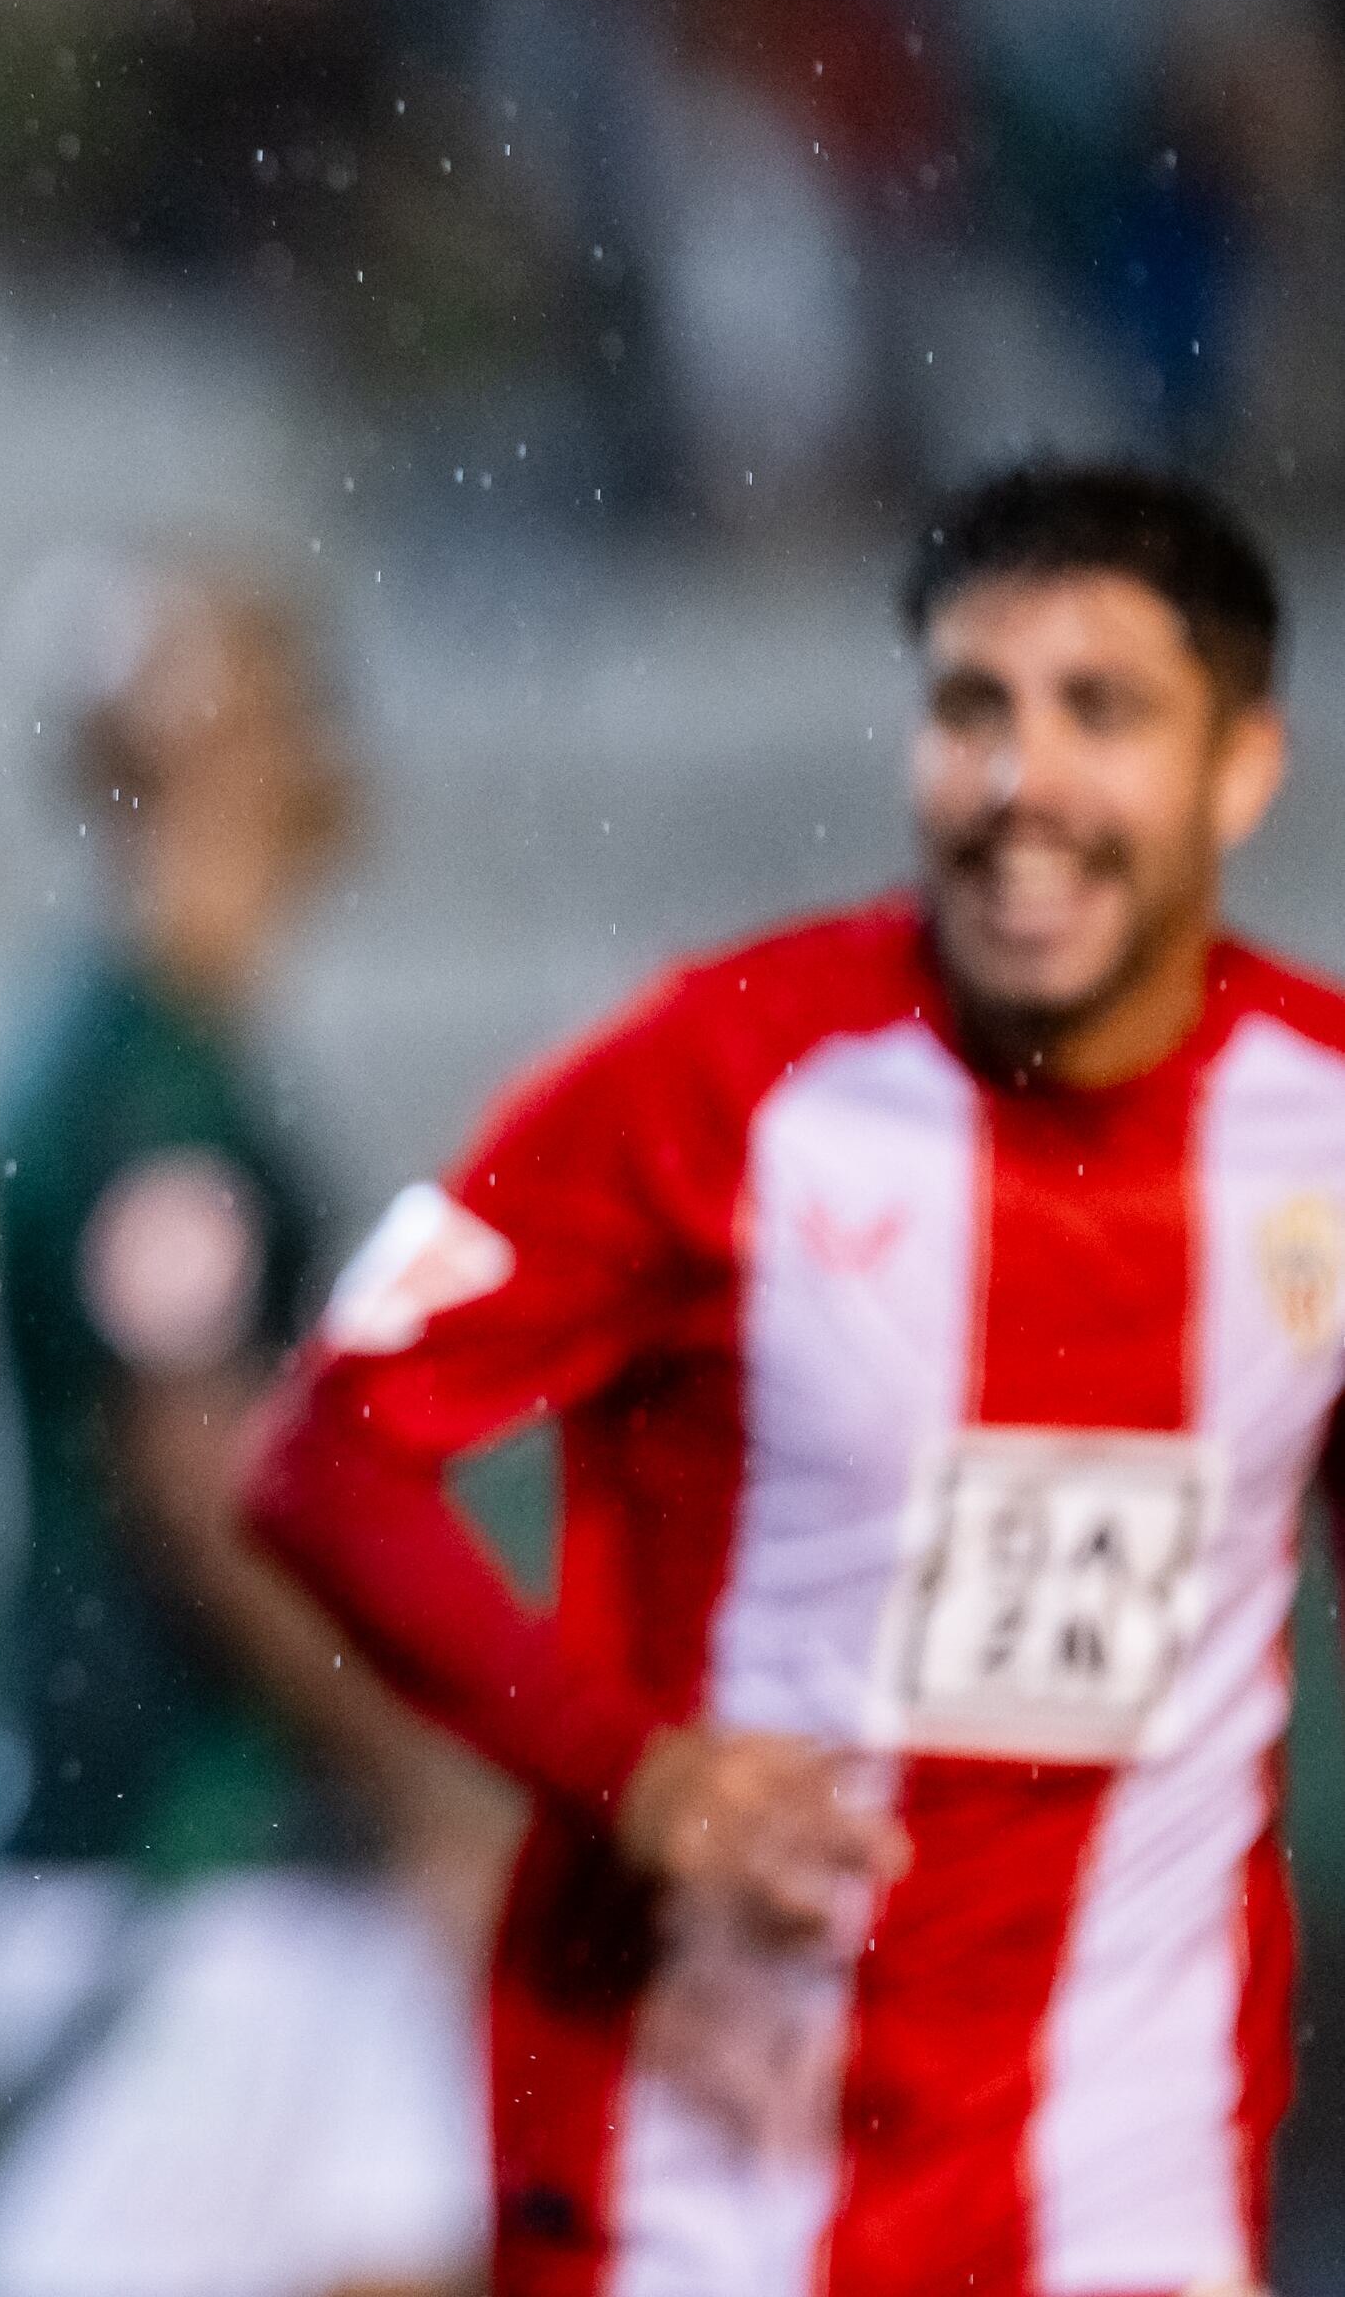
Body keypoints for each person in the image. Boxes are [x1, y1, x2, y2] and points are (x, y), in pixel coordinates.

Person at [244, 462, 1328, 2297]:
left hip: (1127, 2175)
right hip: (709, 2171)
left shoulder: (1320, 1119)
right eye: (971, 707)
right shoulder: (712, 1081)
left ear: (1241, 771)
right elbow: (323, 1458)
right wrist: (623, 1769)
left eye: (1102, 713)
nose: (1019, 785)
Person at [0, 561, 507, 2297]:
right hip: (177, 1875)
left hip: (233, 1870)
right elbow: (209, 1484)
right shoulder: (147, 1085)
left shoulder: (145, 1058)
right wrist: (424, 1796)